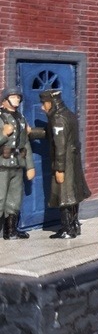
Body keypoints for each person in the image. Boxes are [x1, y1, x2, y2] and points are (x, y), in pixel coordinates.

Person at [39, 89, 90, 239]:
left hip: (65, 164)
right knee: (73, 195)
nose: (43, 107)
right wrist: (32, 132)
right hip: (73, 162)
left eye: (44, 104)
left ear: (51, 102)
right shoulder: (68, 114)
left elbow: (59, 146)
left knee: (64, 196)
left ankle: (67, 229)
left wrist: (59, 169)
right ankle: (74, 225)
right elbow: (52, 134)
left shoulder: (58, 119)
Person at [0, 87, 35, 240]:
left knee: (15, 199)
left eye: (18, 97)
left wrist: (30, 165)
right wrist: (3, 134)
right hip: (2, 165)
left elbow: (25, 143)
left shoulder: (21, 118)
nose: (17, 100)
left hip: (17, 165)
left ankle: (10, 230)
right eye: (13, 97)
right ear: (3, 101)